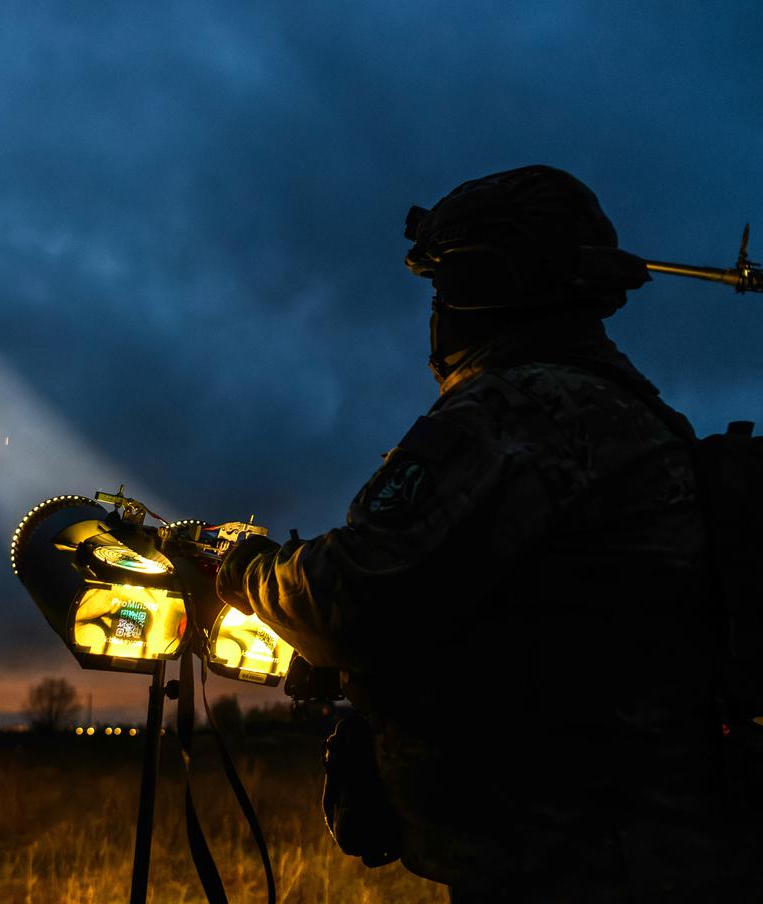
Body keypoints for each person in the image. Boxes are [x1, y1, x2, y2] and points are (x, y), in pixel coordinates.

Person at [215, 165, 747, 901]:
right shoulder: (626, 412)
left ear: (482, 285)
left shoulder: (520, 412)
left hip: (575, 864)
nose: (435, 315)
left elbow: (353, 597)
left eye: (441, 289)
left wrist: (239, 568)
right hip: (647, 848)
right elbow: (530, 621)